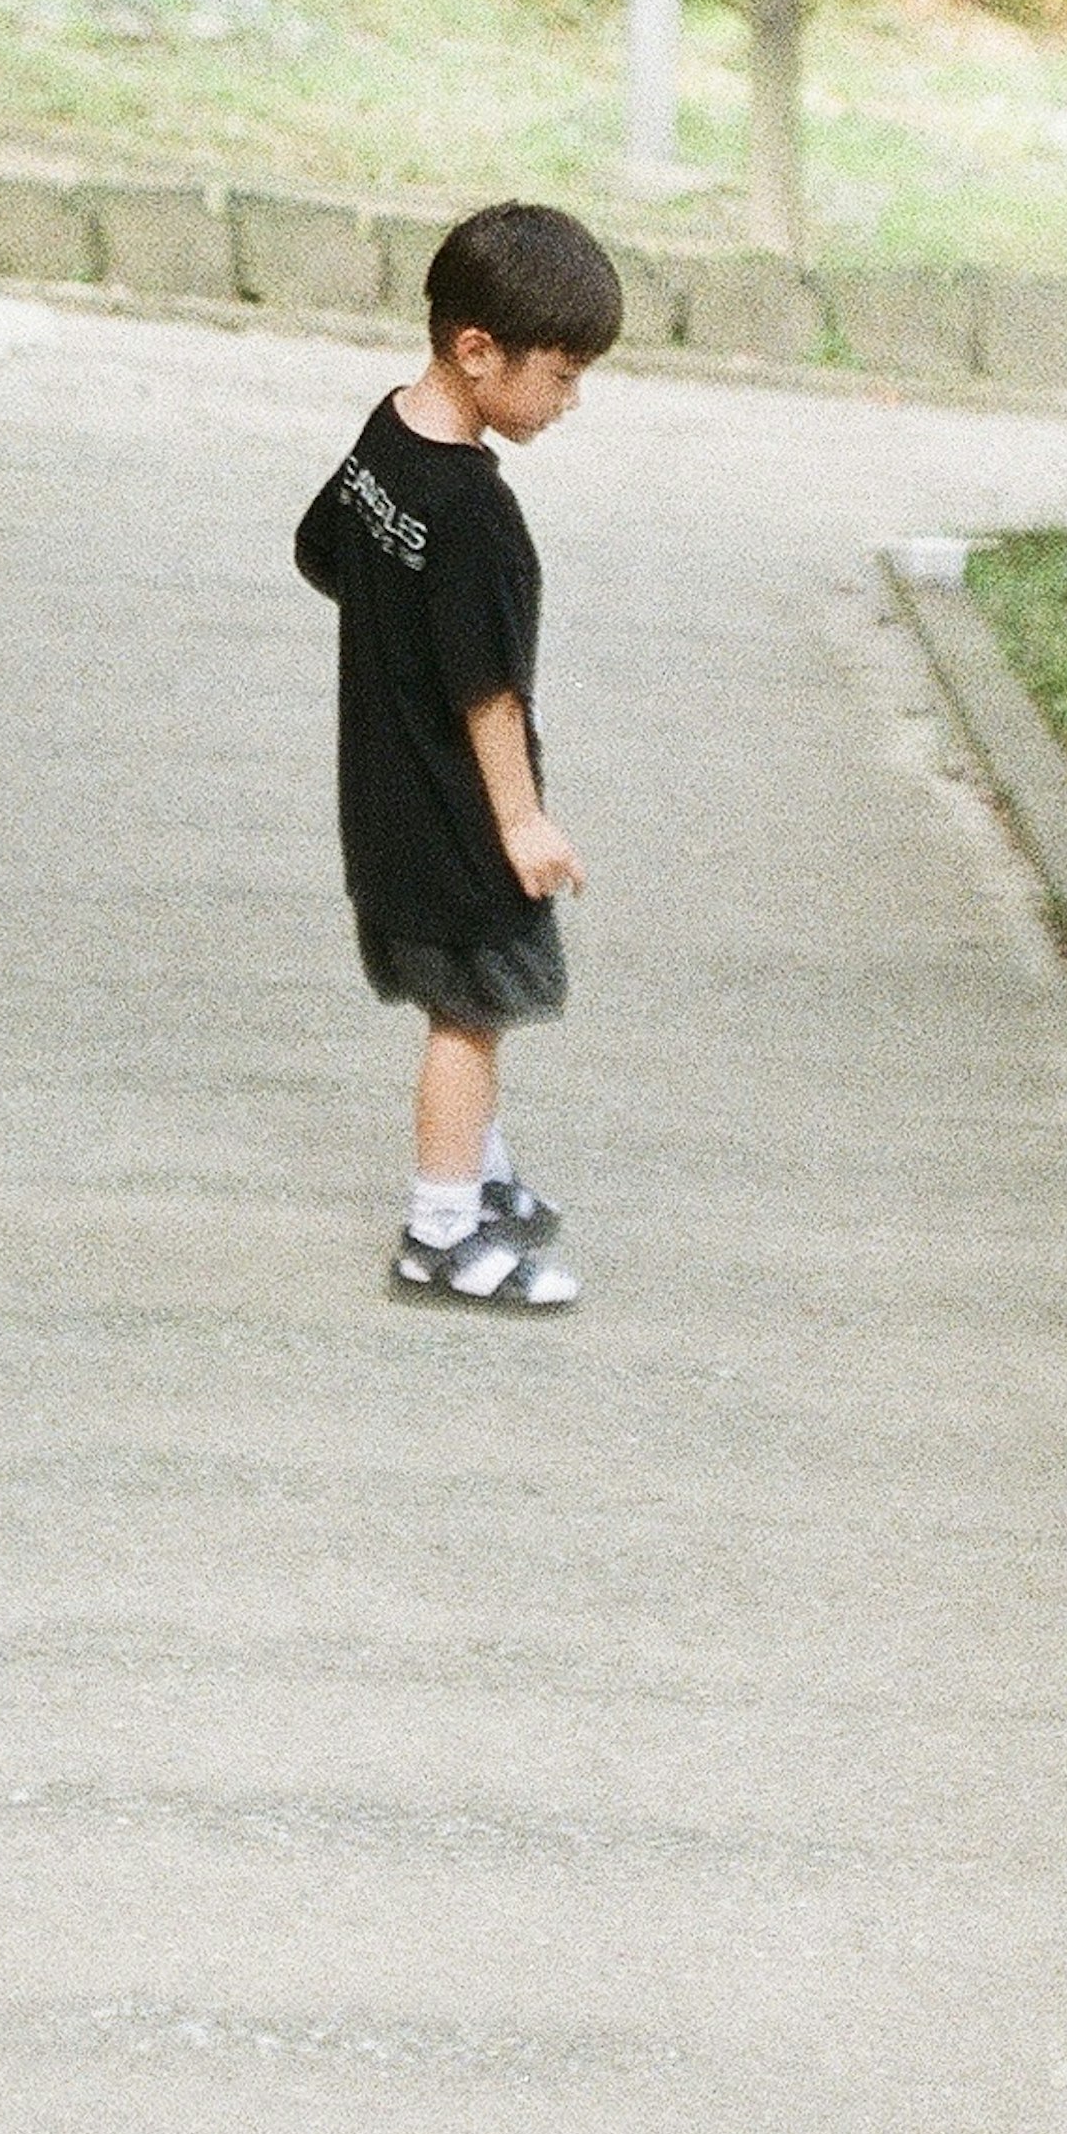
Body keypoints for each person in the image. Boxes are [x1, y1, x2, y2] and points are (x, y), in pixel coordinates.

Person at [292, 196, 624, 1310]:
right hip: (452, 809)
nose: (571, 401)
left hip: (381, 793)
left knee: (464, 1002)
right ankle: (440, 1226)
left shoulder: (389, 433)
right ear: (478, 350)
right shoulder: (477, 513)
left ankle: (481, 1175)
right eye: (563, 373)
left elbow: (323, 549)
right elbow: (491, 691)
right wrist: (521, 819)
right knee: (470, 1017)